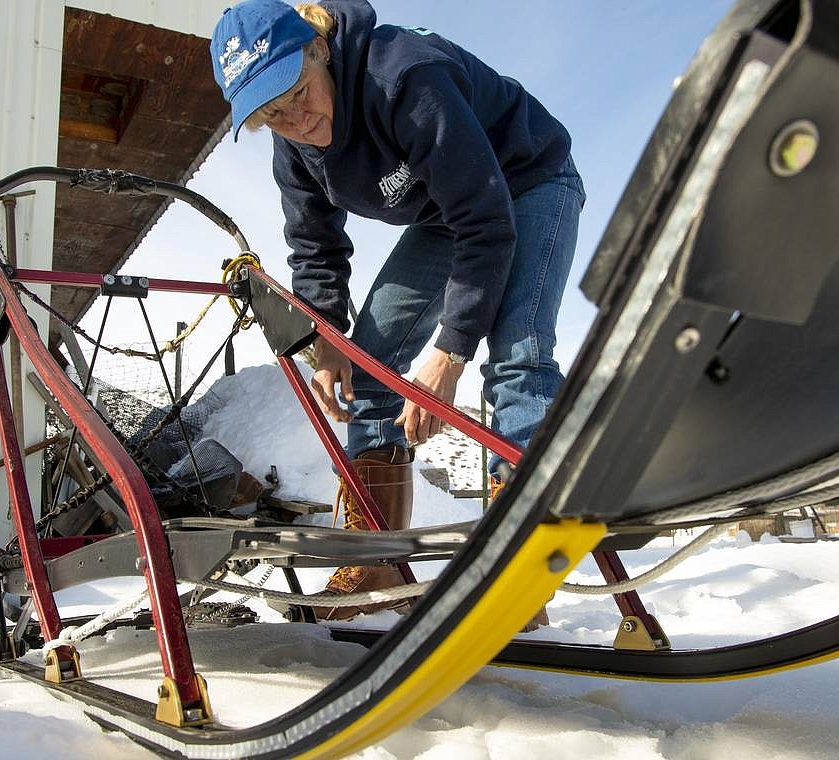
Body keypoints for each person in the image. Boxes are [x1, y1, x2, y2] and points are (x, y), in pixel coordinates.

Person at [210, 0, 584, 621]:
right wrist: (324, 340)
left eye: (298, 93)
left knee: (517, 356)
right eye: (272, 114)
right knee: (369, 365)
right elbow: (315, 247)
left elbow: (486, 223)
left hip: (529, 183)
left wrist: (450, 350)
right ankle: (374, 560)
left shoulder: (403, 77)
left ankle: (518, 565)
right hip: (449, 213)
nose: (296, 119)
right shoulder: (295, 150)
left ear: (318, 51)